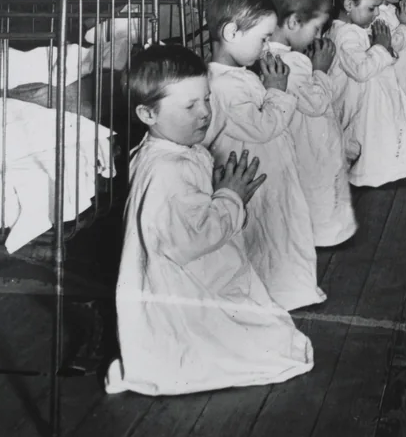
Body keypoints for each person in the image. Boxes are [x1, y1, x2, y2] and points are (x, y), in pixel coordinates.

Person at [104, 45, 313, 396]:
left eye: (206, 100)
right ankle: (152, 363)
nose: (204, 113)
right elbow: (192, 240)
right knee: (277, 348)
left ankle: (147, 359)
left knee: (273, 332)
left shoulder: (172, 151)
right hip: (182, 285)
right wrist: (231, 196)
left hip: (185, 277)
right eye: (189, 106)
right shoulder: (167, 170)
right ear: (147, 113)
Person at [204, 0, 326, 311]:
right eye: (262, 38)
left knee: (280, 231)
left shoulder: (238, 74)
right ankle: (274, 296)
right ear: (231, 32)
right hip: (254, 174)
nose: (267, 45)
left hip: (267, 168)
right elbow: (263, 127)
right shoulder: (223, 85)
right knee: (267, 236)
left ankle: (286, 291)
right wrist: (277, 90)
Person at [267, 0, 358, 248]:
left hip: (298, 134)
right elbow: (316, 104)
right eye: (316, 28)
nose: (318, 37)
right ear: (293, 22)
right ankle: (323, 236)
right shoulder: (290, 62)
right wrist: (321, 68)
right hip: (307, 139)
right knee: (318, 186)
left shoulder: (274, 54)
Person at [327, 0, 406, 187]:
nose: (377, 13)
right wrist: (380, 47)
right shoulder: (344, 34)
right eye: (372, 7)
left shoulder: (356, 27)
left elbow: (385, 50)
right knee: (369, 136)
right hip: (362, 100)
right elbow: (361, 70)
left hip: (376, 95)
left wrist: (403, 27)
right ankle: (373, 173)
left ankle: (388, 168)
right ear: (349, 5)